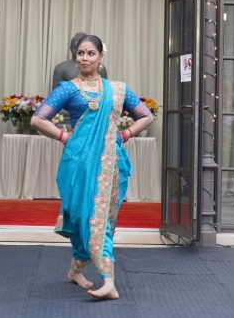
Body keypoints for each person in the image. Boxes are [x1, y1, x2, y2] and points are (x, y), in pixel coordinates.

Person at [31, 35, 153, 300]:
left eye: (90, 53)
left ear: (101, 57)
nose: (84, 58)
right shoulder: (67, 88)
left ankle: (108, 280)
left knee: (99, 218)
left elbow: (146, 115)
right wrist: (66, 137)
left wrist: (124, 134)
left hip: (109, 163)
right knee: (79, 216)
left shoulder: (118, 89)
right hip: (78, 163)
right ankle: (76, 270)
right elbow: (38, 119)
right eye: (81, 53)